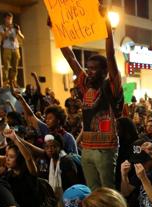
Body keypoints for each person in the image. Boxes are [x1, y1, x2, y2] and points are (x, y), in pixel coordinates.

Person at [50, 6, 123, 190]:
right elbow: (71, 58)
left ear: (105, 71)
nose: (88, 72)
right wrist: (56, 29)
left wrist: (106, 23)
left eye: (93, 68)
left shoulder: (111, 86)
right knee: (93, 192)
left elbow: (110, 55)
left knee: (108, 192)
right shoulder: (84, 86)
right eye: (87, 68)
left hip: (105, 149)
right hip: (87, 149)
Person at [0, 12, 23, 87]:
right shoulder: (1, 27)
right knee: (6, 65)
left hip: (16, 48)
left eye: (11, 19)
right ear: (5, 19)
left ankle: (13, 81)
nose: (10, 21)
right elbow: (4, 37)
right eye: (8, 19)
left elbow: (22, 37)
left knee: (15, 66)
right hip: (7, 48)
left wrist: (18, 31)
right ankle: (5, 81)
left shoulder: (15, 27)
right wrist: (8, 29)